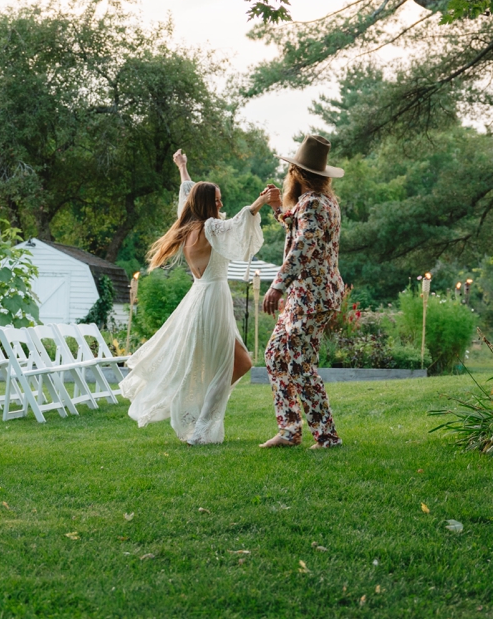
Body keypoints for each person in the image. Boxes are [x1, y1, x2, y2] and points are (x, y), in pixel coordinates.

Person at [119, 149, 276, 444]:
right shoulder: (209, 227)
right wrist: (261, 202)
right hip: (212, 299)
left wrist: (182, 167)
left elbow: (187, 196)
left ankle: (200, 412)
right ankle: (202, 425)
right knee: (236, 363)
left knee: (235, 362)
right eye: (216, 200)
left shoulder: (189, 226)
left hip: (201, 299)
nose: (221, 203)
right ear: (205, 205)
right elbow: (238, 222)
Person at [260, 134, 346, 450]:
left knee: (299, 365)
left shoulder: (311, 204)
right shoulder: (323, 203)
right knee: (275, 355)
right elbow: (295, 222)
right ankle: (289, 430)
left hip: (311, 299)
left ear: (297, 173)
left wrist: (276, 287)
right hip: (308, 297)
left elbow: (302, 247)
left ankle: (327, 437)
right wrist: (276, 207)